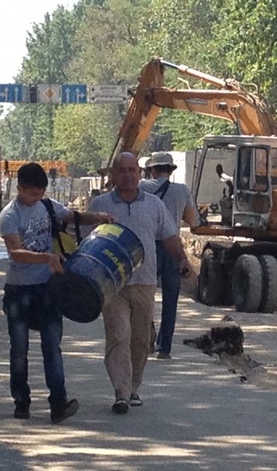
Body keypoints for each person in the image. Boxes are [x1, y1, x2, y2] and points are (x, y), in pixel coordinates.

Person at [0, 162, 113, 423]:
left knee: (52, 346)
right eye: (32, 194)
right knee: (19, 348)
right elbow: (15, 252)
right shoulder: (9, 215)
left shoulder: (47, 206)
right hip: (19, 291)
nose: (36, 198)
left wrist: (98, 217)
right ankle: (21, 400)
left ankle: (58, 402)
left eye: (40, 193)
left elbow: (71, 216)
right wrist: (46, 258)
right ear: (20, 188)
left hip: (48, 289)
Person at [88, 151, 193, 415]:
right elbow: (84, 242)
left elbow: (169, 237)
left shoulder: (154, 205)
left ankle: (134, 387)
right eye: (121, 170)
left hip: (145, 282)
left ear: (140, 173)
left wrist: (181, 260)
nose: (127, 175)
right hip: (112, 284)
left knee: (140, 338)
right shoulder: (100, 205)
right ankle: (121, 392)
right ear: (113, 175)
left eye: (132, 170)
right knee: (118, 335)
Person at [140, 152, 198, 360]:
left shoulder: (143, 188)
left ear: (152, 170)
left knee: (144, 294)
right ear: (171, 170)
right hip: (173, 247)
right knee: (170, 299)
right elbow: (191, 219)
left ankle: (147, 332)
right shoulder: (182, 190)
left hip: (149, 246)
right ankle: (165, 348)